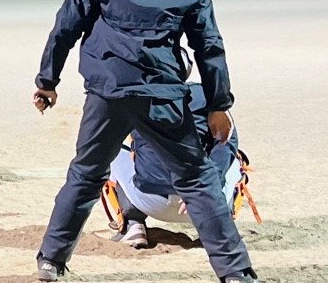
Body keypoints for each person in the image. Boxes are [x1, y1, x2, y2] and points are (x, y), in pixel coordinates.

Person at [31, 0, 261, 283]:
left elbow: (64, 30)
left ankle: (51, 260)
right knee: (196, 179)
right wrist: (220, 105)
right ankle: (236, 275)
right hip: (163, 95)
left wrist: (47, 81)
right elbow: (210, 49)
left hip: (108, 93)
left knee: (86, 173)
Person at [100, 84, 257, 249]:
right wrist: (202, 188)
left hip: (152, 201)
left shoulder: (138, 94)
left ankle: (132, 225)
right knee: (234, 157)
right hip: (206, 203)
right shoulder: (208, 96)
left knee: (112, 152)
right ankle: (219, 227)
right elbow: (227, 144)